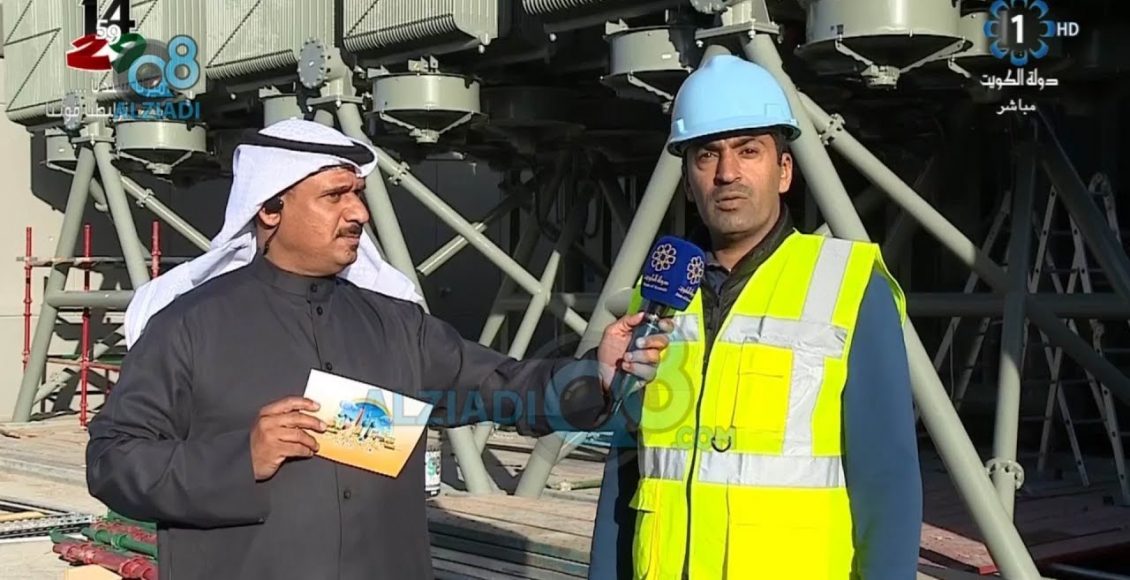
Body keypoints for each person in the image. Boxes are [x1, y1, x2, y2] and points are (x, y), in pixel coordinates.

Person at [85, 118, 673, 580]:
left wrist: (596, 374)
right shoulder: (187, 326)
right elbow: (113, 460)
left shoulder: (395, 324)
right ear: (269, 208)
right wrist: (241, 458)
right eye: (335, 196)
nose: (359, 213)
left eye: (359, 195)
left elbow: (502, 386)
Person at [586, 55, 922, 579]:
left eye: (748, 151)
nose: (727, 173)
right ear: (688, 179)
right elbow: (625, 474)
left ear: (784, 170)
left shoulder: (849, 287)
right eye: (707, 155)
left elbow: (888, 482)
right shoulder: (655, 301)